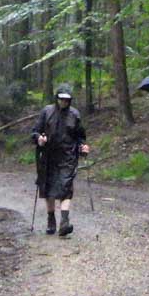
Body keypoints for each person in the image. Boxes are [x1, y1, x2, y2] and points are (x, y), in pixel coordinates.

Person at [31, 87, 89, 237]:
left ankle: (64, 222)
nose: (63, 102)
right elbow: (35, 131)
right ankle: (51, 219)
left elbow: (80, 136)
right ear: (56, 98)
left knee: (66, 186)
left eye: (66, 99)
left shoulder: (74, 114)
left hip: (68, 156)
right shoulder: (47, 111)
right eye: (61, 99)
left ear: (70, 100)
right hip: (48, 156)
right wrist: (39, 139)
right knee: (48, 188)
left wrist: (83, 147)